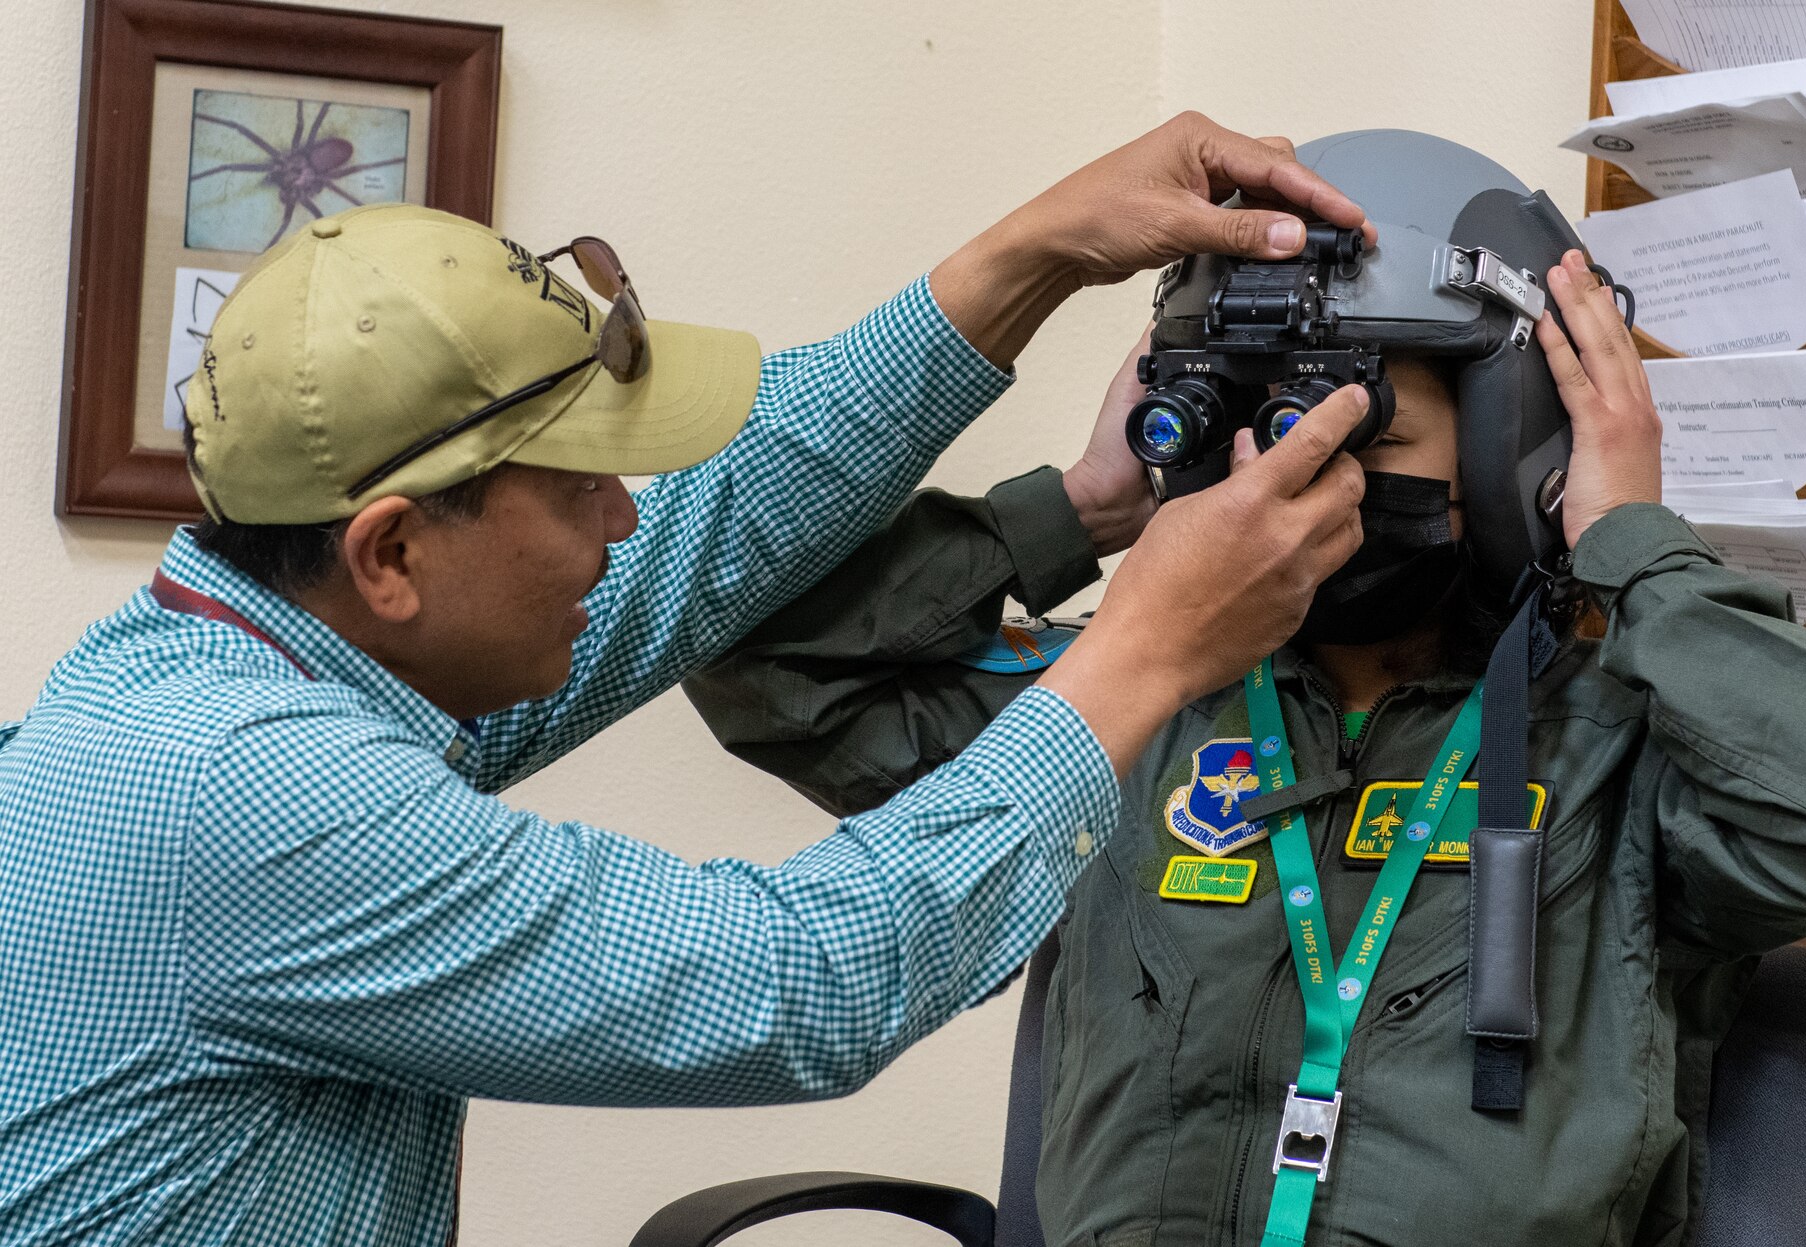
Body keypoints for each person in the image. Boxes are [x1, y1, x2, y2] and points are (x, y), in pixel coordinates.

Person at [0, 116, 1380, 1246]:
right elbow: (798, 982)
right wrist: (1147, 646)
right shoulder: (257, 794)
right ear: (394, 553)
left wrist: (1034, 257)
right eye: (582, 483)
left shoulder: (231, 661)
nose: (622, 517)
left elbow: (712, 541)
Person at [685, 131, 1806, 1245]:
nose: (1287, 476)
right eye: (1252, 429)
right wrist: (1088, 506)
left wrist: (1629, 543)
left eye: (1362, 433)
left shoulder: (1624, 746)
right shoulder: (1127, 704)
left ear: (1511, 435)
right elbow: (765, 664)